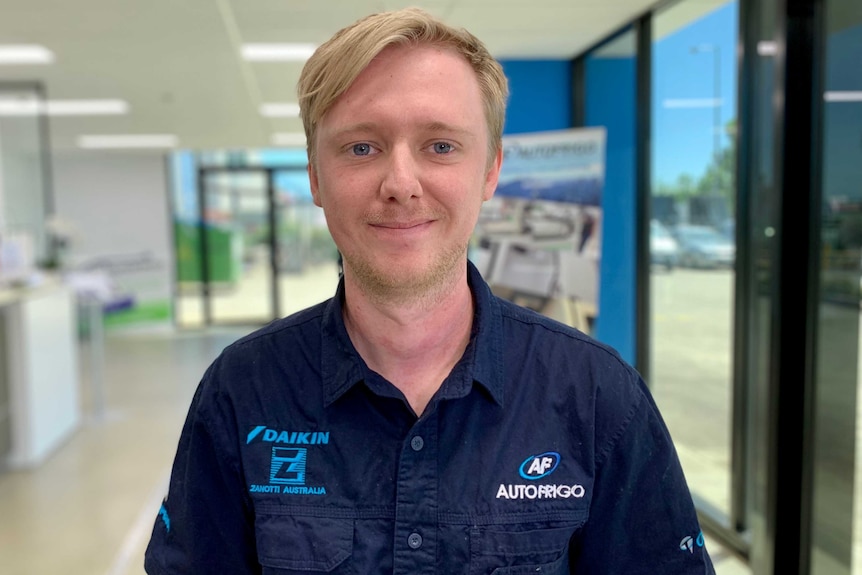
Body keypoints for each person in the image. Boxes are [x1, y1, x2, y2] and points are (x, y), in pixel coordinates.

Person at [144, 7, 715, 574]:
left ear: (490, 170)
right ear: (316, 177)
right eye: (361, 147)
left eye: (440, 146)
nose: (400, 184)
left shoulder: (596, 396)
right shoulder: (242, 391)